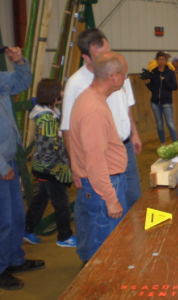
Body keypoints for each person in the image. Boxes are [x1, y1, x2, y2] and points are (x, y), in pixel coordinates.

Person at [61, 28, 141, 209]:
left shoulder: (117, 71)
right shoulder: (76, 84)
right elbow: (67, 128)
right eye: (101, 56)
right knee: (107, 204)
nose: (108, 59)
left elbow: (128, 105)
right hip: (98, 155)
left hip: (124, 146)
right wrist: (74, 165)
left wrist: (134, 133)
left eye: (109, 52)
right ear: (86, 58)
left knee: (134, 197)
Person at [69, 52, 129, 263]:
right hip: (103, 187)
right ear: (113, 77)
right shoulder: (93, 109)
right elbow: (95, 161)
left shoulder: (90, 98)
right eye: (124, 75)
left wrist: (77, 168)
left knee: (93, 242)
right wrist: (111, 199)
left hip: (96, 185)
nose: (125, 79)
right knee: (104, 250)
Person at [0, 46, 44, 290]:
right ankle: (1, 268)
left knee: (16, 215)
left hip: (9, 160)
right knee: (2, 220)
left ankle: (15, 259)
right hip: (1, 164)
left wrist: (19, 62)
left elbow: (22, 81)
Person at [24, 79, 76, 247]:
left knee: (41, 199)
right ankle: (64, 236)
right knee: (61, 203)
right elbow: (50, 147)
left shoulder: (51, 111)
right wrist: (65, 166)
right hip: (51, 169)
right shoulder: (46, 119)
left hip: (43, 167)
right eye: (60, 91)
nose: (62, 93)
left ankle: (27, 228)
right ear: (52, 94)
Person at [145, 51, 178, 143]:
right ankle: (163, 143)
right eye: (159, 59)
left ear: (166, 61)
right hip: (155, 103)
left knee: (170, 124)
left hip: (167, 102)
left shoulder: (170, 72)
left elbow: (175, 87)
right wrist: (147, 84)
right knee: (159, 124)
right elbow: (152, 88)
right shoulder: (153, 72)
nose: (161, 61)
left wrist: (165, 81)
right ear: (156, 60)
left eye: (163, 59)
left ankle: (176, 143)